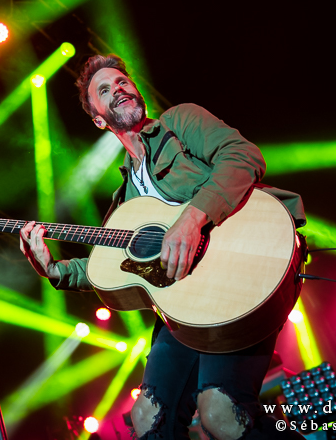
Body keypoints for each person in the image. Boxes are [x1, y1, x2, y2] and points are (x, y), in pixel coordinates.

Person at [19, 55, 306, 439]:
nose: (118, 89)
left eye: (122, 81)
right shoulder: (124, 204)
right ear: (99, 119)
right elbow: (106, 268)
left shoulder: (179, 122)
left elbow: (243, 156)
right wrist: (53, 269)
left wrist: (192, 219)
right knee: (147, 418)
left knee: (221, 413)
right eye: (105, 90)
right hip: (183, 304)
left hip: (246, 263)